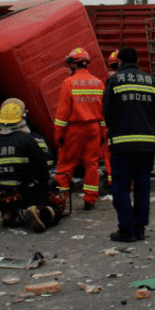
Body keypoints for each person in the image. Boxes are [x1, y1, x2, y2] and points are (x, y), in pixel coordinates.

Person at [102, 46, 155, 242]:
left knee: (121, 187)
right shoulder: (150, 80)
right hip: (147, 145)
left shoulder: (115, 80)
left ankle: (126, 229)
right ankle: (140, 229)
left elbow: (107, 113)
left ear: (119, 62)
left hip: (122, 144)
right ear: (137, 61)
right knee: (143, 186)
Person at [0, 98, 63, 232]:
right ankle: (38, 212)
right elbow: (42, 170)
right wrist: (45, 186)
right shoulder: (27, 140)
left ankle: (9, 211)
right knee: (54, 211)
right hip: (25, 194)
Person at [53, 48, 105, 210]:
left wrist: (59, 135)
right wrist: (103, 132)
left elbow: (63, 113)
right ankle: (90, 199)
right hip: (94, 128)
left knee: (66, 165)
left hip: (74, 129)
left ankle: (60, 201)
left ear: (73, 65)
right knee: (92, 164)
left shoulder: (68, 83)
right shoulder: (98, 83)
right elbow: (103, 112)